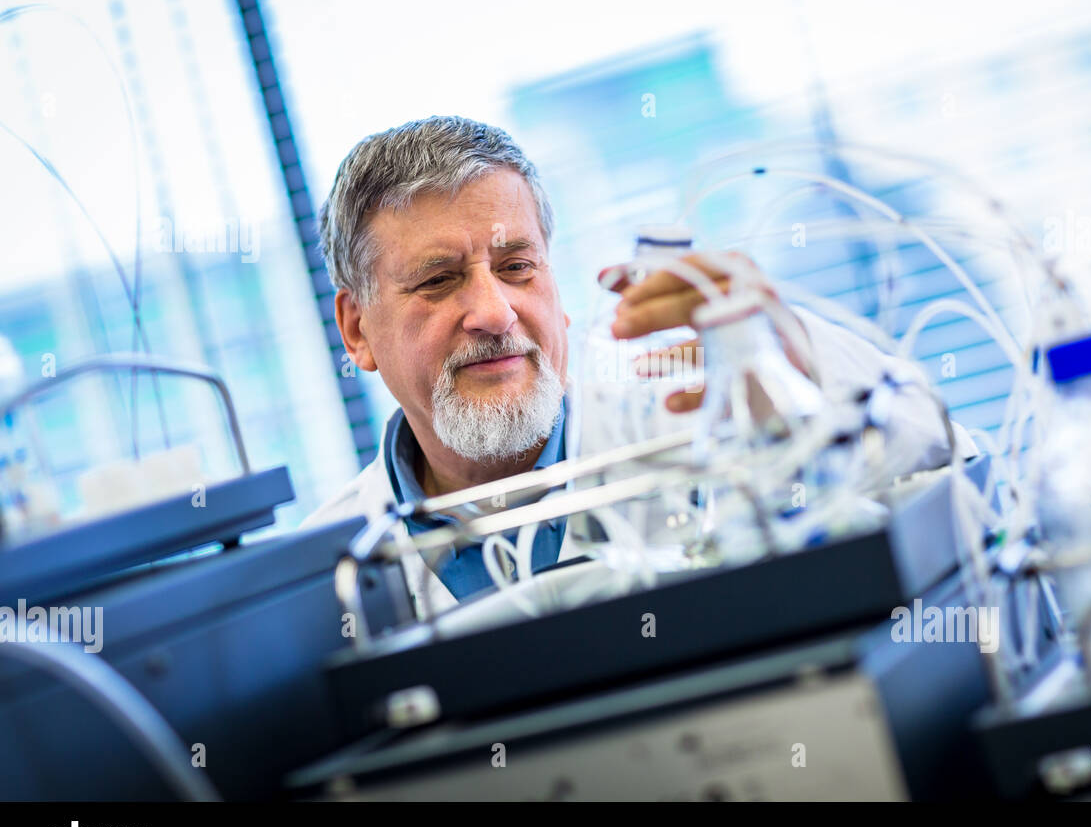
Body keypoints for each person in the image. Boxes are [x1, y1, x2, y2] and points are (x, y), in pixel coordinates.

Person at [303, 115, 974, 616]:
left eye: (517, 268)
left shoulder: (692, 410)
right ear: (357, 329)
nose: (495, 312)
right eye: (439, 281)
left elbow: (954, 471)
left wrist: (792, 367)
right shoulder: (316, 580)